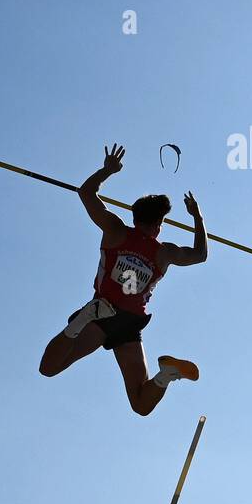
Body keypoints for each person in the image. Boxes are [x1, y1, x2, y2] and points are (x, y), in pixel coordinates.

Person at [39, 144, 206, 416]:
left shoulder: (116, 230)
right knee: (141, 405)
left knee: (49, 368)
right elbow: (200, 254)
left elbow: (85, 193)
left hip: (102, 313)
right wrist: (198, 217)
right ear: (159, 225)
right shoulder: (165, 252)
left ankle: (82, 319)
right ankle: (167, 375)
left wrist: (107, 171)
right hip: (129, 323)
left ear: (135, 216)